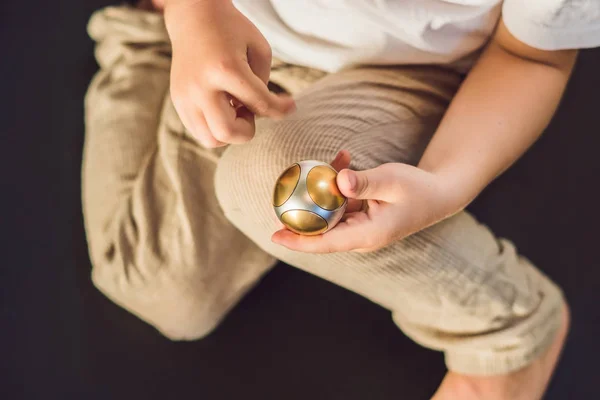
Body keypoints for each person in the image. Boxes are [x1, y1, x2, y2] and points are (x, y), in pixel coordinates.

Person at [82, 0, 599, 398]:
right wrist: (193, 16)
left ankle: (509, 325)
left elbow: (530, 56)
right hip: (224, 25)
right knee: (155, 285)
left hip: (405, 69)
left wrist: (445, 184)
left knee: (275, 187)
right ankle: (156, 33)